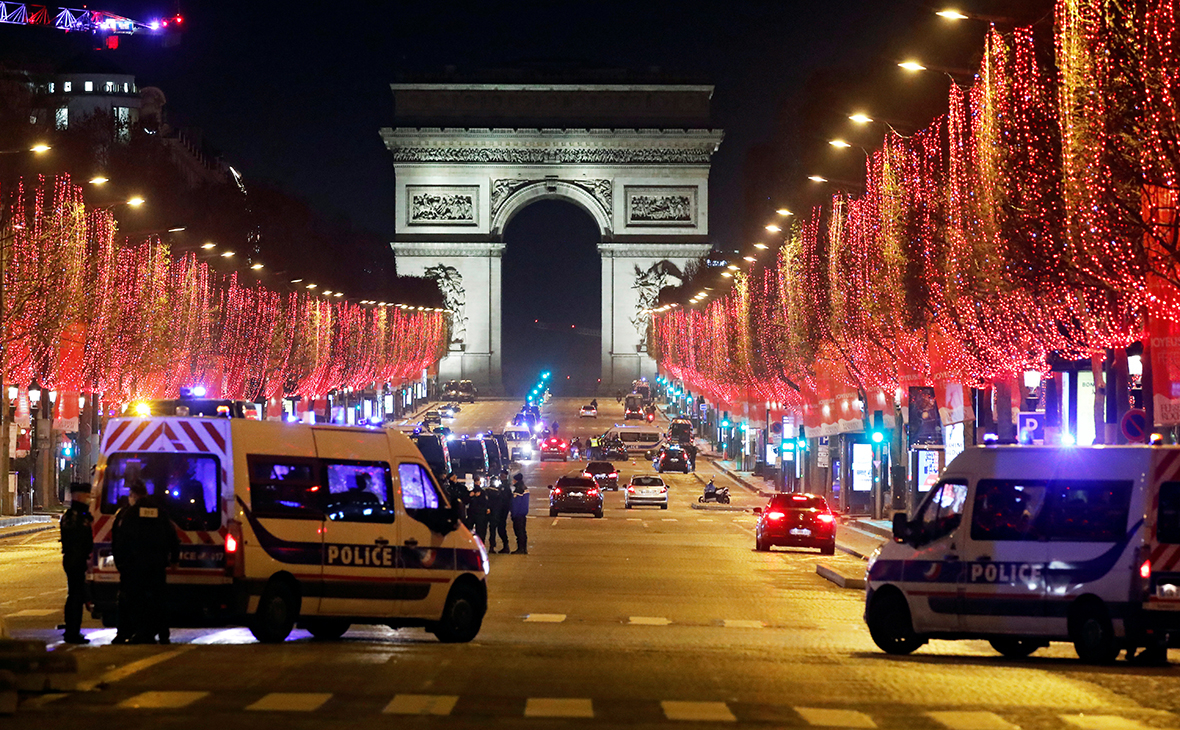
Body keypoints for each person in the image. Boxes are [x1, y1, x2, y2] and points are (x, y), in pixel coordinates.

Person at [111, 480, 180, 644]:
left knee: (136, 600)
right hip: (157, 564)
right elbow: (172, 537)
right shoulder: (160, 511)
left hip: (135, 565)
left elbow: (120, 540)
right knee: (158, 600)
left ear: (133, 495)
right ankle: (163, 634)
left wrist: (120, 563)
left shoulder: (129, 513)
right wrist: (174, 559)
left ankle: (141, 633)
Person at [60, 482, 94, 644]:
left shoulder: (72, 515)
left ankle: (71, 629)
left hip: (73, 558)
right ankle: (72, 632)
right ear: (79, 496)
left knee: (74, 594)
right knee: (76, 596)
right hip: (76, 559)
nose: (89, 499)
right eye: (87, 495)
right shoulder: (76, 517)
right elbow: (79, 540)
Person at [488, 470, 512, 554]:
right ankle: (494, 546)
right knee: (495, 529)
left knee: (499, 529)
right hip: (497, 512)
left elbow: (506, 500)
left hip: (500, 512)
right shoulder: (501, 487)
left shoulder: (505, 487)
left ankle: (504, 546)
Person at [510, 474, 529, 554]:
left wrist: (513, 514)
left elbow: (515, 504)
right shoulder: (525, 488)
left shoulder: (518, 490)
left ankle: (520, 548)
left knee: (519, 532)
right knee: (523, 532)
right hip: (523, 514)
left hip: (518, 515)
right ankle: (523, 548)